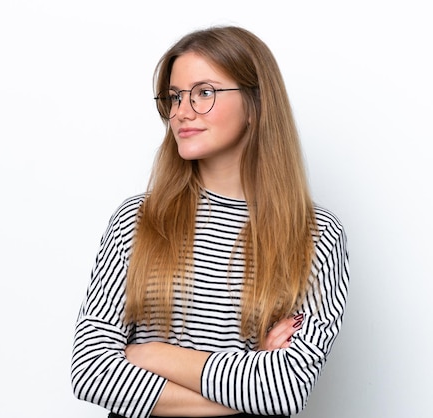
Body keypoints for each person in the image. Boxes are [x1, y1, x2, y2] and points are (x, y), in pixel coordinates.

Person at [71, 25, 349, 418]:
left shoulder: (315, 235)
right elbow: (90, 372)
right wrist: (250, 382)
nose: (181, 112)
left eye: (204, 93)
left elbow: (286, 390)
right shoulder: (137, 220)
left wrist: (149, 353)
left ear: (255, 104)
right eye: (174, 96)